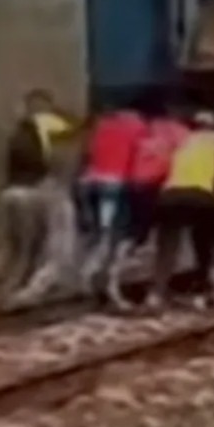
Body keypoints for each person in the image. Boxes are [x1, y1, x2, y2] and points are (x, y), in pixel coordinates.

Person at [0, 90, 77, 303]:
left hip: (9, 192)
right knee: (41, 248)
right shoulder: (46, 123)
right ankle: (24, 295)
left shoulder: (17, 131)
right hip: (34, 192)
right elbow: (73, 130)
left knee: (15, 249)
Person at [153, 111, 214, 311]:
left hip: (170, 193)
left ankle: (155, 294)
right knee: (208, 241)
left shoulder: (182, 141)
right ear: (213, 126)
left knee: (167, 247)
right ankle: (208, 293)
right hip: (199, 194)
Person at [121, 94, 189, 310]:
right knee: (168, 241)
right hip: (166, 188)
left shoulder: (140, 130)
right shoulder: (180, 131)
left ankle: (112, 280)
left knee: (135, 237)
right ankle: (157, 292)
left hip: (137, 187)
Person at [76, 99, 148, 299]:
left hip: (90, 182)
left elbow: (88, 153)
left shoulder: (103, 126)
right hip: (115, 183)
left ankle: (86, 272)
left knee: (97, 231)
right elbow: (140, 156)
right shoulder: (139, 127)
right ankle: (95, 277)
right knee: (115, 233)